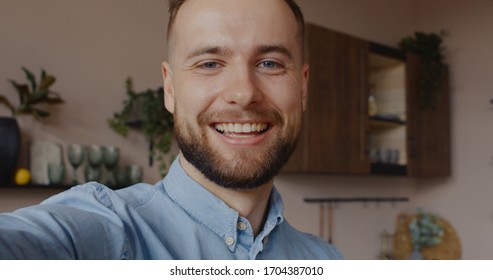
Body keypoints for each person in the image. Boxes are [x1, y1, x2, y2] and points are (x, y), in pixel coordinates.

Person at [0, 0, 343, 259]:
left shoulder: (328, 262)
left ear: (302, 87)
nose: (244, 93)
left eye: (270, 63)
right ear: (170, 89)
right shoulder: (107, 229)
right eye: (209, 63)